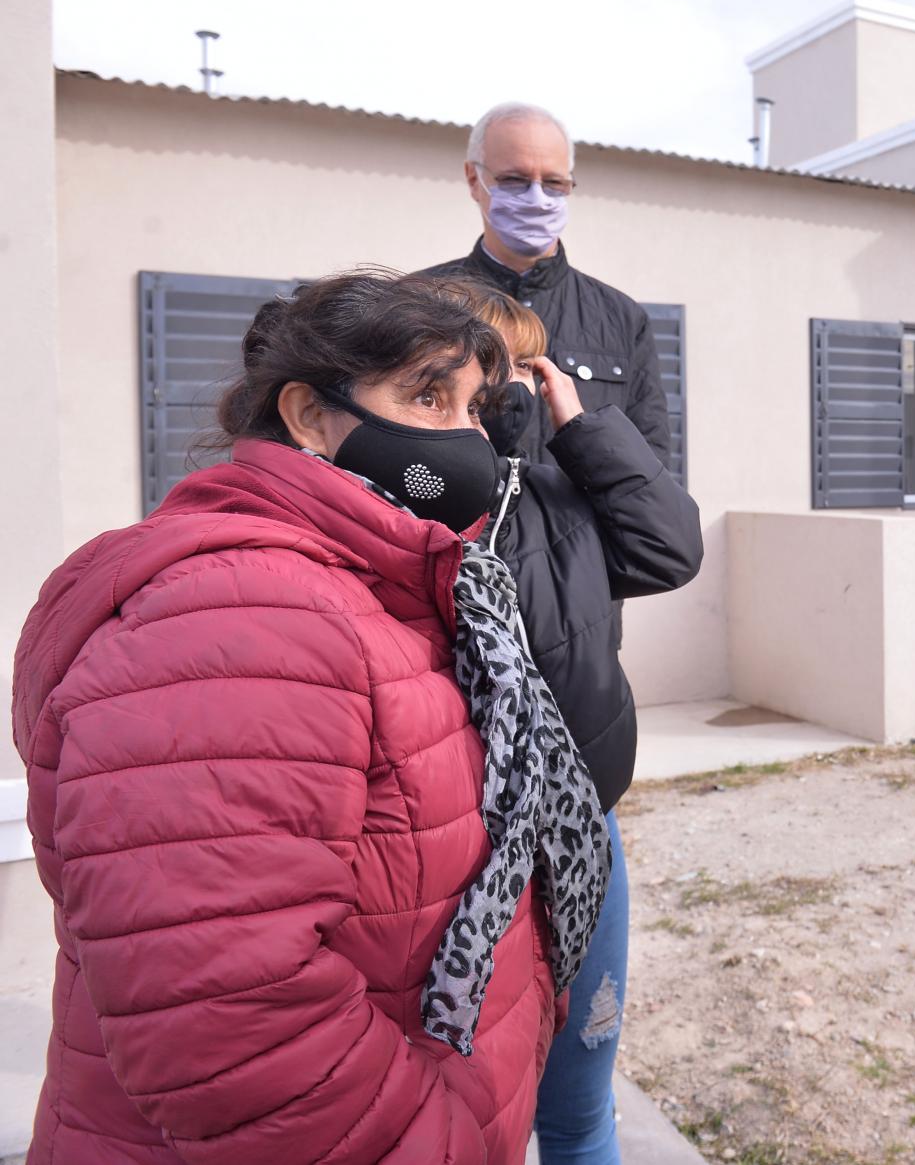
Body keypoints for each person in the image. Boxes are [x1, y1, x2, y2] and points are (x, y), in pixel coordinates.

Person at [10, 271, 611, 1164]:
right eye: (425, 395)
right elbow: (228, 1029)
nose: (468, 437)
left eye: (474, 408)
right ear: (307, 414)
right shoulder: (241, 615)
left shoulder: (393, 583)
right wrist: (440, 1139)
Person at [447, 280, 703, 1164]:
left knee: (579, 1106)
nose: (510, 387)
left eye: (525, 366)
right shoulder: (413, 497)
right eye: (489, 369)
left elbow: (671, 548)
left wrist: (580, 422)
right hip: (452, 847)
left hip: (581, 833)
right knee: (458, 1107)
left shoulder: (560, 492)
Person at [419, 102, 673, 465]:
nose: (537, 199)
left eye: (554, 183)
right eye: (514, 180)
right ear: (475, 180)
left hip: (576, 522)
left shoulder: (621, 318)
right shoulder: (423, 301)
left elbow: (651, 466)